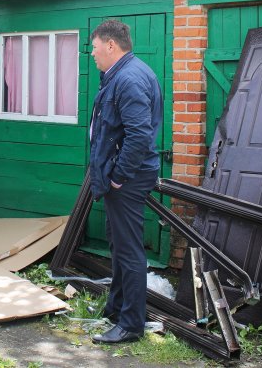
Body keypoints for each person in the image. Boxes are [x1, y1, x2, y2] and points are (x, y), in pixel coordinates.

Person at [87, 20, 163, 344]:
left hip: (128, 179)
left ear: (110, 46)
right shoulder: (123, 74)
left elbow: (139, 136)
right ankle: (116, 308)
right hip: (122, 176)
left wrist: (118, 177)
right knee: (118, 243)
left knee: (129, 250)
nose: (92, 54)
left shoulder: (129, 78)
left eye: (94, 48)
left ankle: (131, 324)